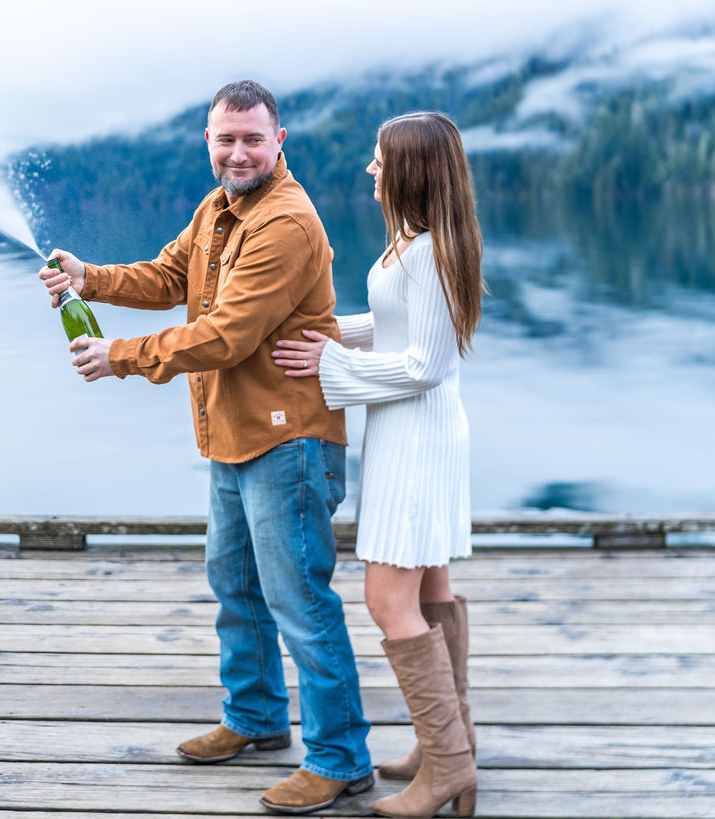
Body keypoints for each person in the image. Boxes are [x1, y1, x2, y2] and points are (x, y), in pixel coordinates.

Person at [39, 80, 372, 815]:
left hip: (290, 438)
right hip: (232, 433)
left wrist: (117, 355)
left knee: (299, 598)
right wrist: (88, 276)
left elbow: (226, 334)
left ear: (280, 141)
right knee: (235, 582)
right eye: (226, 139)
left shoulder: (285, 221)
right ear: (209, 143)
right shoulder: (217, 208)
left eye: (254, 138)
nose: (239, 151)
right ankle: (255, 718)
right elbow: (168, 277)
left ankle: (343, 757)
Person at [272, 111, 483, 818]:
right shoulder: (422, 244)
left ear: (411, 171)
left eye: (379, 160)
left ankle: (447, 764)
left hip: (417, 438)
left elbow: (424, 363)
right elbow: (399, 329)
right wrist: (334, 332)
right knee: (430, 589)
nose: (371, 169)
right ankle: (452, 745)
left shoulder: (427, 252)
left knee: (387, 599)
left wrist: (328, 361)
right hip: (419, 431)